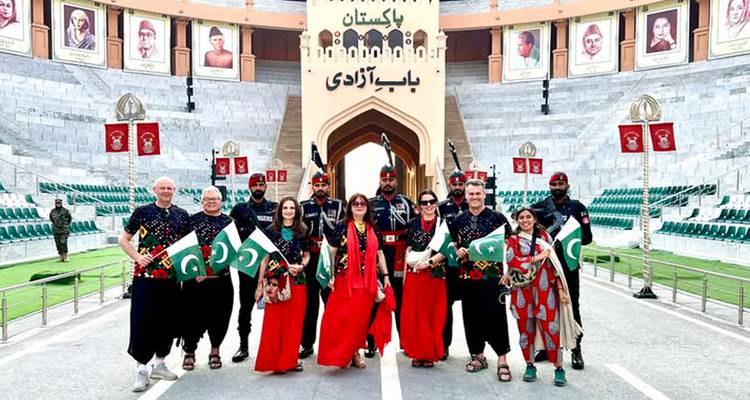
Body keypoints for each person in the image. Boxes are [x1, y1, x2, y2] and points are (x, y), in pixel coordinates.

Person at [119, 176, 190, 392]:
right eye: (162, 188)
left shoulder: (182, 215)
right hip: (145, 278)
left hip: (170, 278)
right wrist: (137, 257)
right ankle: (141, 368)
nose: (166, 191)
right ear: (154, 190)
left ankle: (160, 363)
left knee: (168, 320)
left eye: (169, 188)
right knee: (142, 320)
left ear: (174, 190)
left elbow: (188, 246)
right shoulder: (142, 212)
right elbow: (124, 239)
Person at [448, 179, 512, 381]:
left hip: (493, 277)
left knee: (496, 316)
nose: (474, 197)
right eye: (471, 194)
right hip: (468, 276)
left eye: (478, 193)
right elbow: (453, 245)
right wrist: (459, 250)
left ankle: (502, 359)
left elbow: (511, 245)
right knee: (471, 316)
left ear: (484, 195)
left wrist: (508, 271)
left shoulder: (497, 218)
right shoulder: (458, 220)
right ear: (465, 196)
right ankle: (479, 355)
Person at [317, 193, 390, 369]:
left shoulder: (373, 228)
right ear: (350, 207)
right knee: (339, 318)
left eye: (362, 203)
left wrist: (386, 276)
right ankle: (340, 353)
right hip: (344, 279)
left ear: (367, 207)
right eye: (355, 203)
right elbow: (332, 252)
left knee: (359, 320)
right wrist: (329, 276)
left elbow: (380, 254)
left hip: (367, 281)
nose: (359, 206)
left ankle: (355, 352)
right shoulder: (341, 227)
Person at [502, 208, 570, 387]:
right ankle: (530, 365)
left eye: (528, 217)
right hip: (522, 290)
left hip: (546, 289)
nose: (525, 220)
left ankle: (559, 367)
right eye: (521, 217)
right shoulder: (514, 240)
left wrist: (561, 289)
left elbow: (554, 264)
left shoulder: (545, 238)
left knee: (551, 328)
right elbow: (512, 260)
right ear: (517, 221)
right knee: (525, 331)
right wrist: (536, 257)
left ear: (534, 219)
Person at [531, 172, 592, 370]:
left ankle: (576, 348)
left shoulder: (577, 208)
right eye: (554, 184)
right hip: (545, 263)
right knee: (544, 304)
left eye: (561, 183)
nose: (558, 187)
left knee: (571, 304)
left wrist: (567, 239)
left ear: (567, 185)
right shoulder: (539, 207)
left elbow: (586, 237)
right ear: (549, 186)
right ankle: (545, 347)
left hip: (568, 265)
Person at [254, 196, 310, 373]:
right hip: (275, 281)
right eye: (285, 208)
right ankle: (274, 361)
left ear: (296, 211)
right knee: (275, 322)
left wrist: (301, 266)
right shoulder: (271, 230)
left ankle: (290, 360)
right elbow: (265, 259)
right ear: (280, 211)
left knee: (294, 322)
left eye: (292, 208)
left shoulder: (303, 230)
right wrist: (260, 285)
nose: (288, 211)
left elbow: (307, 255)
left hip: (296, 280)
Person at [181, 186, 234, 371]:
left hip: (220, 280)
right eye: (207, 199)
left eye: (215, 199)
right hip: (195, 280)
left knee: (220, 317)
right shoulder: (191, 221)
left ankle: (215, 351)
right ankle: (189, 351)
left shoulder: (229, 222)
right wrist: (195, 271)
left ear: (221, 201)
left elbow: (234, 251)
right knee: (190, 317)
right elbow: (184, 248)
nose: (211, 201)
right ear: (201, 201)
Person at [229, 173, 277, 363]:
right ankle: (243, 345)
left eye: (261, 184)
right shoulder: (240, 209)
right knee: (246, 306)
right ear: (250, 187)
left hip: (272, 264)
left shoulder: (274, 208)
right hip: (248, 263)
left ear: (265, 187)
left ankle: (275, 345)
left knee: (275, 304)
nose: (258, 188)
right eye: (255, 185)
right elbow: (231, 235)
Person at [369, 164, 416, 356]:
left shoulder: (406, 203)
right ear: (380, 181)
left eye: (391, 180)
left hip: (400, 253)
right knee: (375, 297)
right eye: (384, 180)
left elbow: (415, 227)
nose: (387, 183)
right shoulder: (371, 203)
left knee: (401, 298)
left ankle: (404, 340)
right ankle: (371, 342)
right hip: (378, 253)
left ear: (396, 181)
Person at [299, 171, 345, 359]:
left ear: (328, 186)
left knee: (332, 303)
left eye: (323, 185)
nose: (320, 189)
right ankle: (307, 344)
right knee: (310, 304)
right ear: (312, 186)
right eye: (317, 185)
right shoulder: (303, 207)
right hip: (311, 259)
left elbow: (343, 230)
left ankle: (334, 342)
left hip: (330, 259)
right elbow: (299, 231)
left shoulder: (339, 205)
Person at [401, 190, 447, 368]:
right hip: (415, 274)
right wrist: (406, 276)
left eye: (431, 202)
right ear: (419, 206)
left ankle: (430, 352)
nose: (428, 206)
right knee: (415, 314)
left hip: (435, 273)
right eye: (424, 203)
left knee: (432, 314)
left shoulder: (443, 224)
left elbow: (445, 250)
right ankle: (417, 352)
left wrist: (428, 262)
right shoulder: (412, 224)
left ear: (436, 203)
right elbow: (408, 249)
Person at [437, 169, 468, 360]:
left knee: (472, 308)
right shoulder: (441, 207)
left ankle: (476, 349)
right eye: (454, 184)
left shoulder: (472, 204)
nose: (458, 187)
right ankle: (444, 345)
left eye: (461, 184)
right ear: (450, 185)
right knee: (445, 308)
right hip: (448, 264)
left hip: (470, 263)